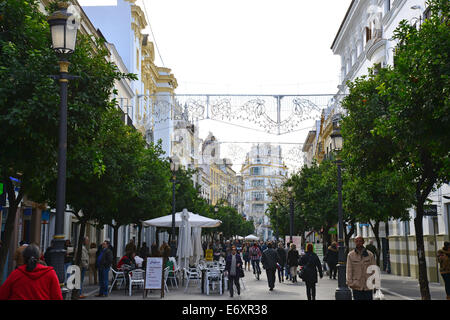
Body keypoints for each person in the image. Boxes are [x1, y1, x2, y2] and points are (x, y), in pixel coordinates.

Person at [346, 236, 376, 300]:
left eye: (360, 241)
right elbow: (349, 270)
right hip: (356, 285)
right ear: (355, 242)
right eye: (357, 241)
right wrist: (350, 282)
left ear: (363, 242)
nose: (358, 243)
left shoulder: (370, 255)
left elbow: (374, 269)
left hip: (368, 285)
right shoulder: (350, 255)